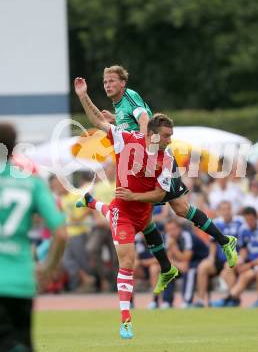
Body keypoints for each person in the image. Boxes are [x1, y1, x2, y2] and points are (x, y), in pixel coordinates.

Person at [74, 66, 238, 284]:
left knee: (179, 208)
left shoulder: (130, 97)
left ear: (123, 83)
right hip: (141, 163)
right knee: (145, 219)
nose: (108, 85)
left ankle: (224, 241)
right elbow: (106, 121)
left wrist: (145, 152)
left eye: (112, 81)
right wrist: (99, 107)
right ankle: (168, 268)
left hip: (154, 159)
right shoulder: (120, 106)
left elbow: (144, 120)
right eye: (105, 82)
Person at [74, 85, 177, 339]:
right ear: (152, 135)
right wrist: (82, 96)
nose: (169, 141)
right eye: (166, 136)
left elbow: (160, 195)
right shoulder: (127, 139)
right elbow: (98, 120)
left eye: (170, 136)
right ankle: (126, 320)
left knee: (115, 214)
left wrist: (135, 196)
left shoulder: (168, 159)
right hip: (124, 212)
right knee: (127, 262)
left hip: (143, 211)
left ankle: (91, 201)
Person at [0, 123, 67, 352]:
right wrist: (49, 268)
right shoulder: (31, 183)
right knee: (19, 342)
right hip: (20, 279)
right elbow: (60, 232)